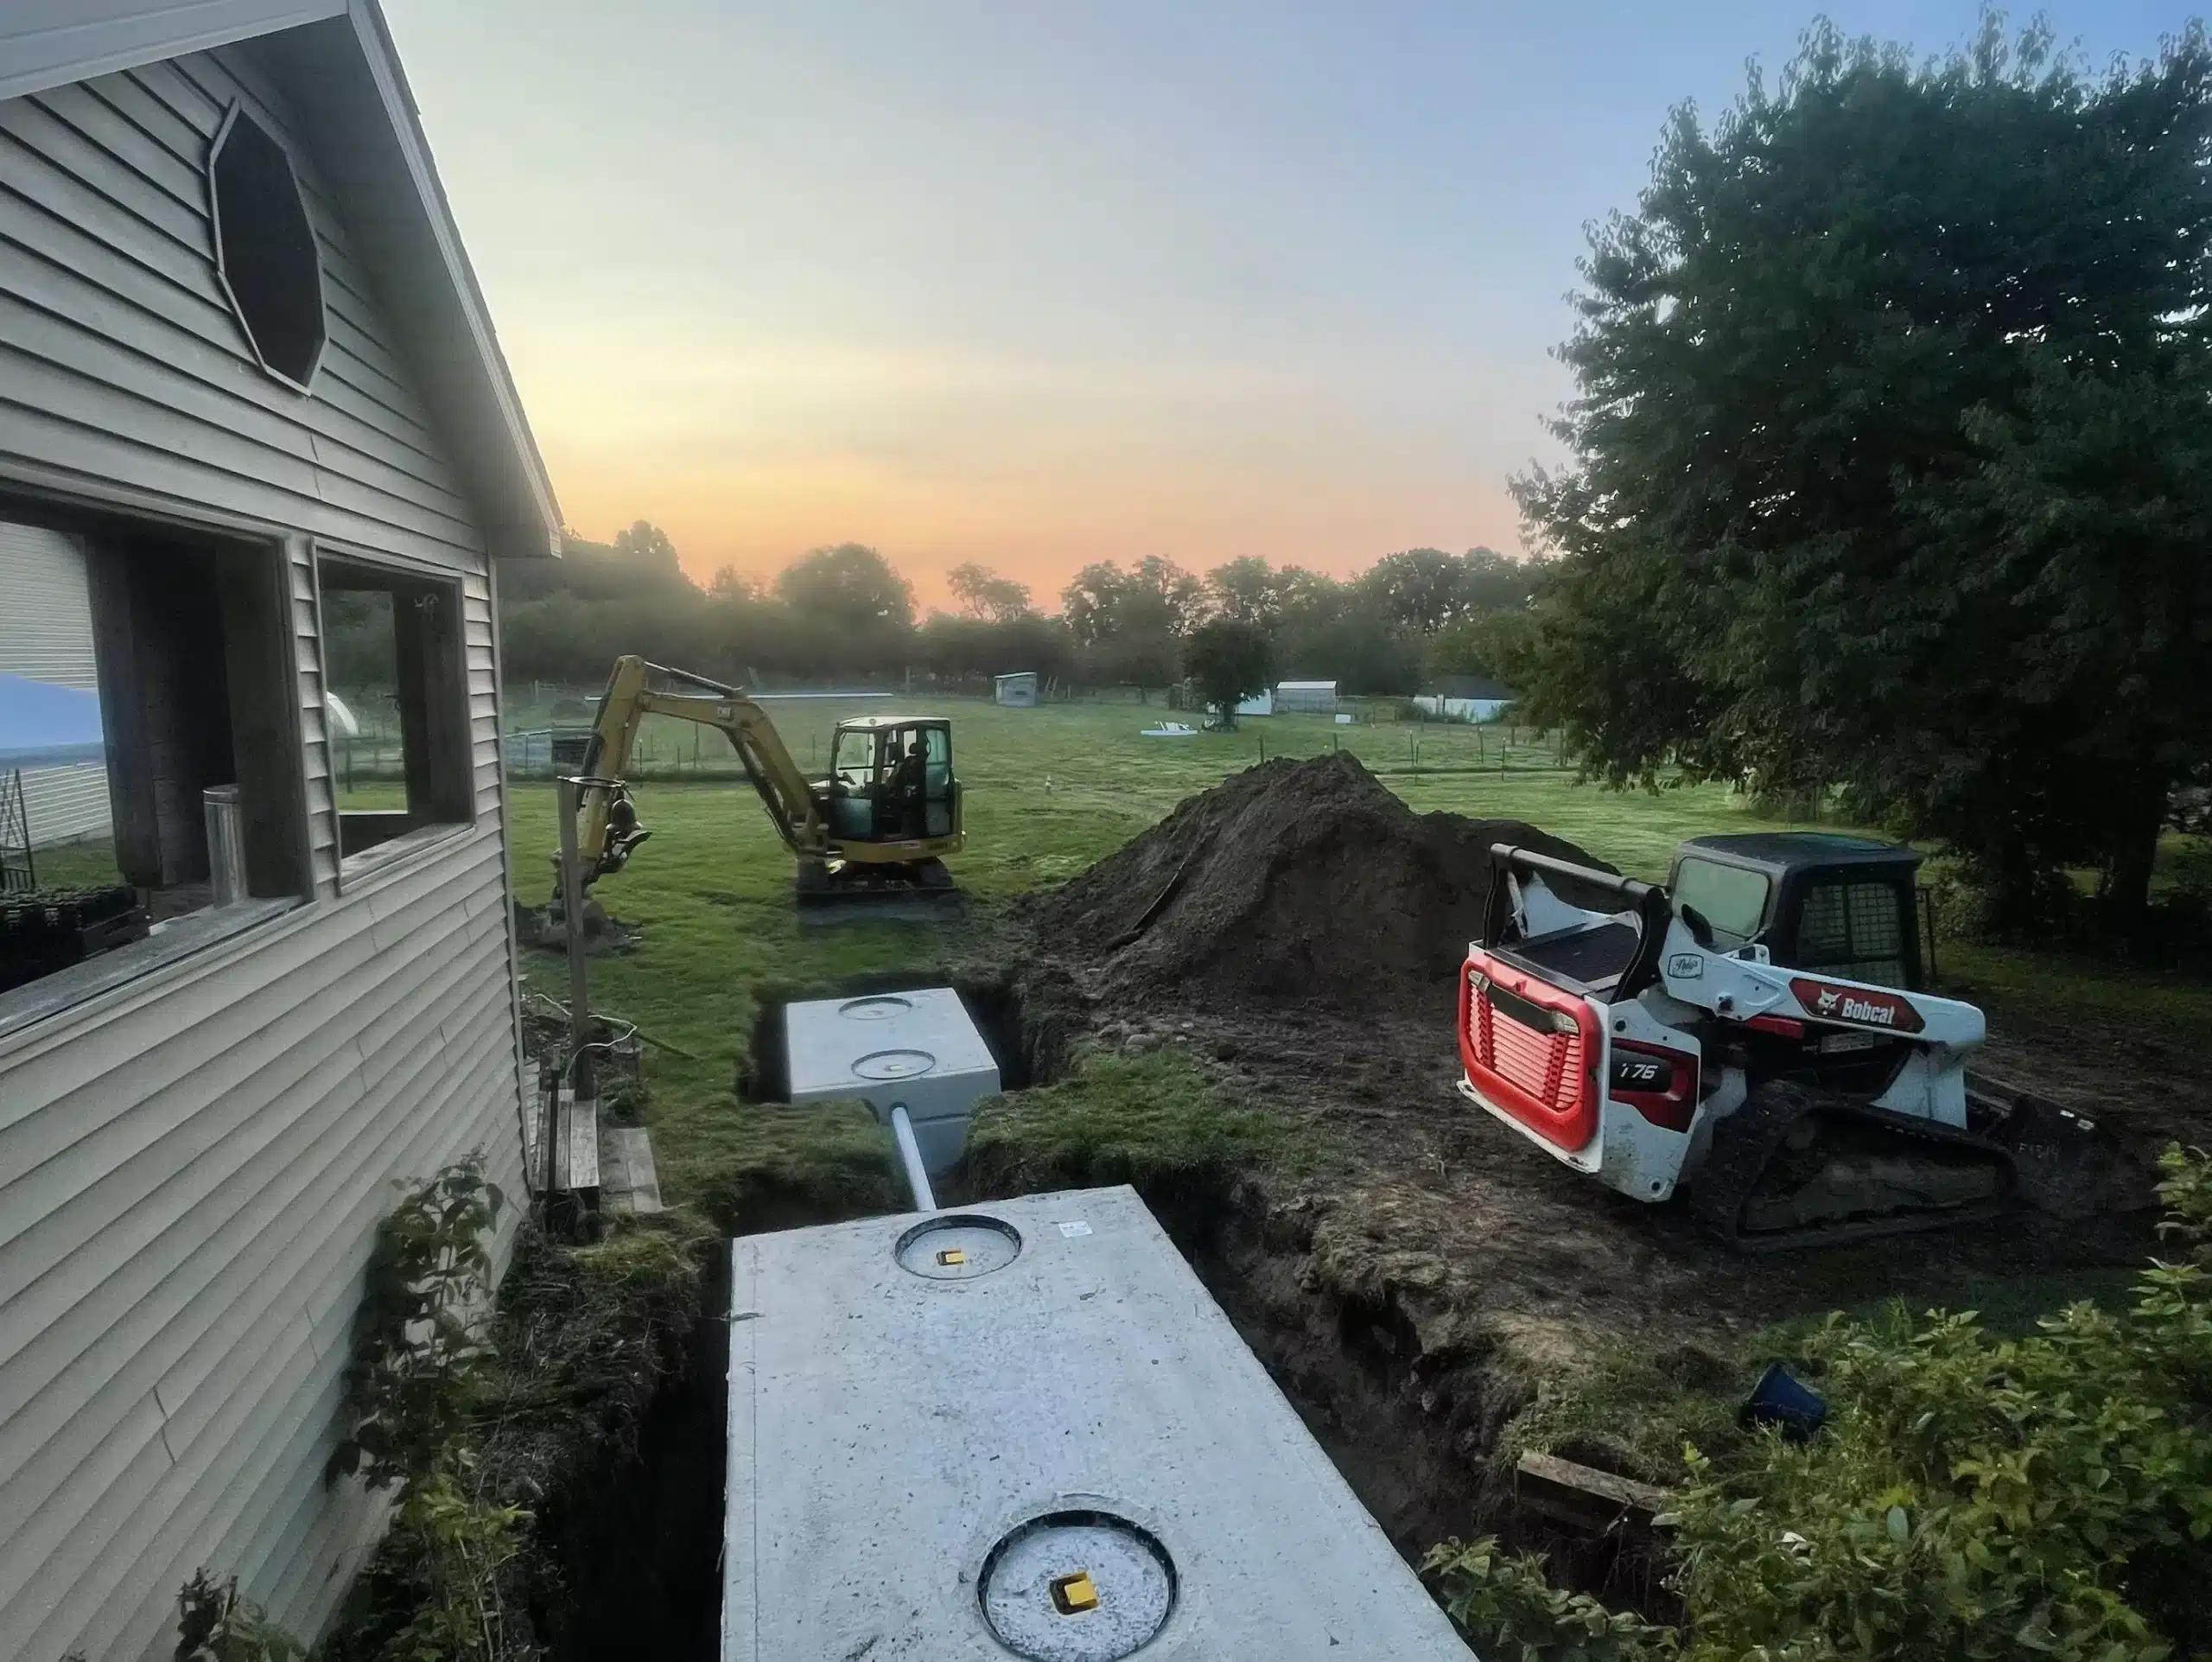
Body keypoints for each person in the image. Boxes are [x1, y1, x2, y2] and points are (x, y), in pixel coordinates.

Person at [892, 735, 927, 838]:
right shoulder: (911, 761)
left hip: (915, 795)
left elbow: (900, 780)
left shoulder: (914, 762)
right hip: (910, 792)